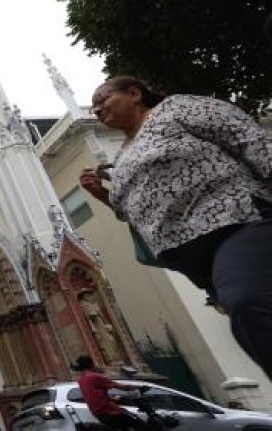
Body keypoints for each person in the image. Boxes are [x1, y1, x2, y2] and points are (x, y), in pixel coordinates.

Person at [79, 76, 272, 377]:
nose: (98, 109)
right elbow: (130, 211)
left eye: (103, 99)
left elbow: (244, 134)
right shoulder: (124, 154)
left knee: (247, 302)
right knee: (247, 314)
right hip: (195, 261)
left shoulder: (176, 109)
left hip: (236, 222)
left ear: (134, 93)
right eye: (93, 107)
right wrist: (102, 194)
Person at [71, 354, 146, 429]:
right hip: (109, 412)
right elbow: (121, 387)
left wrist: (111, 398)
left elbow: (92, 395)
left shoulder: (81, 380)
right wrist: (139, 387)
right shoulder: (94, 377)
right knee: (140, 424)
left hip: (99, 414)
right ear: (91, 364)